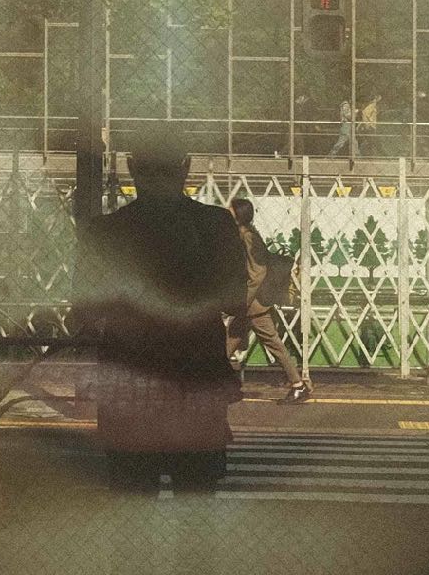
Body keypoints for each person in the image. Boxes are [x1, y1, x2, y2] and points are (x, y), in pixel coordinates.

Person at [72, 138, 247, 490]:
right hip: (195, 375)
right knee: (196, 492)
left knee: (132, 490)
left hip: (130, 379)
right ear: (186, 167)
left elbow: (84, 313)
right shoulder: (215, 225)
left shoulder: (104, 232)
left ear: (131, 167)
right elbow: (234, 301)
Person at [227, 197, 311, 401]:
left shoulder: (248, 237)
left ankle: (298, 385)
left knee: (272, 344)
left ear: (238, 215)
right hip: (251, 304)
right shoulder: (245, 234)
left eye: (230, 210)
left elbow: (258, 272)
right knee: (229, 343)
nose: (226, 212)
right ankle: (218, 385)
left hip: (253, 305)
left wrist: (244, 300)